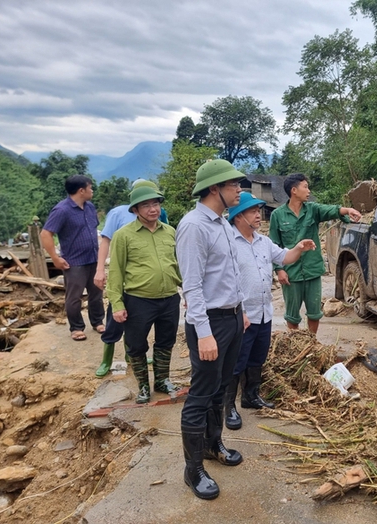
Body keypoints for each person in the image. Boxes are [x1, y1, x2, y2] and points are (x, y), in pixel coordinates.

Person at [176, 159, 249, 500]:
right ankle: (193, 470)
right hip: (210, 324)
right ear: (214, 189)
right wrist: (204, 333)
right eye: (234, 184)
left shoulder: (221, 222)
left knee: (221, 390)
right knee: (201, 395)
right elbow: (191, 286)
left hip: (231, 317)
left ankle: (212, 444)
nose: (239, 189)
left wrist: (241, 312)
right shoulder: (194, 226)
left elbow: (228, 273)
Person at [225, 193, 316, 430]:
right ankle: (229, 407)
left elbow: (284, 257)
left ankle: (250, 396)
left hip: (264, 313)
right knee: (236, 362)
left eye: (258, 210)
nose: (259, 215)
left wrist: (298, 248)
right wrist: (238, 311)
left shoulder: (263, 242)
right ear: (238, 216)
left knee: (257, 357)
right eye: (253, 211)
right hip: (242, 316)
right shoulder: (228, 243)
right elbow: (225, 281)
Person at [105, 185, 181, 404]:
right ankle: (143, 386)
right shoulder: (123, 236)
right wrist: (117, 304)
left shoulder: (170, 231)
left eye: (155, 204)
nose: (152, 209)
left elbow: (178, 266)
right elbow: (116, 271)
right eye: (146, 205)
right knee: (136, 344)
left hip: (169, 298)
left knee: (166, 341)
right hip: (138, 299)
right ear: (135, 210)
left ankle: (162, 380)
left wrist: (190, 292)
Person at [269, 173, 362, 334]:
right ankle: (295, 341)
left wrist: (348, 210)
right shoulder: (277, 216)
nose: (308, 190)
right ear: (294, 190)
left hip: (312, 270)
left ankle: (312, 342)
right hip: (291, 273)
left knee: (314, 312)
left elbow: (331, 210)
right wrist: (279, 270)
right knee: (292, 316)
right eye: (305, 187)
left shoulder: (313, 210)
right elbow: (273, 245)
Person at [94, 179, 163, 377]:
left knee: (135, 323)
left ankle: (130, 357)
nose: (151, 206)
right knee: (114, 321)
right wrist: (100, 270)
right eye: (144, 201)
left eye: (154, 200)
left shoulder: (158, 214)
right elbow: (105, 242)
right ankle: (106, 360)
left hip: (142, 285)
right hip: (122, 279)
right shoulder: (118, 213)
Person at [40, 175, 105, 341]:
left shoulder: (90, 207)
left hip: (93, 258)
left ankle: (97, 321)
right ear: (81, 191)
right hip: (74, 261)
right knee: (74, 296)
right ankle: (76, 327)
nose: (92, 191)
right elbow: (46, 233)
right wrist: (54, 257)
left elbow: (93, 230)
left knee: (97, 292)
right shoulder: (62, 210)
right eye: (90, 188)